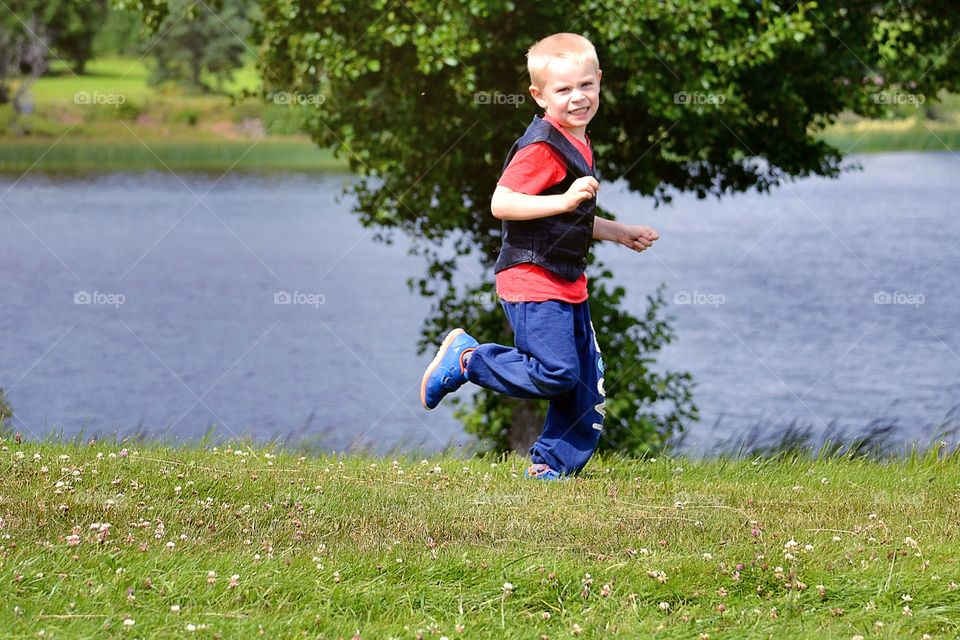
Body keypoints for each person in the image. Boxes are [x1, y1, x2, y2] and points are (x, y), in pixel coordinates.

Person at [419, 32, 659, 480]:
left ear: (600, 82)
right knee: (555, 374)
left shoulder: (578, 141)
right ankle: (468, 359)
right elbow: (503, 203)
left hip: (567, 280)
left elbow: (569, 218)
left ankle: (551, 467)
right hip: (532, 278)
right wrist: (565, 201)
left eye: (585, 85)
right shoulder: (543, 147)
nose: (577, 98)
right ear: (539, 95)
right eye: (563, 90)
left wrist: (618, 232)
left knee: (585, 384)